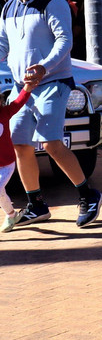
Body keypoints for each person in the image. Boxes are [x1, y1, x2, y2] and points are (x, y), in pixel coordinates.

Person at [0, 0, 102, 228]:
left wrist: (44, 67)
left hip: (53, 83)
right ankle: (36, 205)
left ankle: (88, 195)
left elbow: (64, 41)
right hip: (21, 89)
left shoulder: (53, 2)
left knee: (50, 143)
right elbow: (3, 46)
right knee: (20, 144)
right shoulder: (9, 8)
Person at [0, 76, 37, 232]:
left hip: (7, 164)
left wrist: (27, 88)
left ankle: (11, 215)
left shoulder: (4, 113)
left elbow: (18, 102)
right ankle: (11, 214)